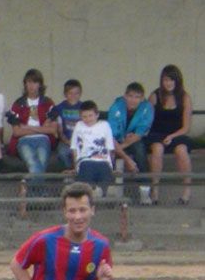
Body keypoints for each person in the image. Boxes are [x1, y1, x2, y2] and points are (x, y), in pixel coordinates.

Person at [145, 64, 193, 204]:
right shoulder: (155, 96)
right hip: (157, 134)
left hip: (177, 134)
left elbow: (186, 127)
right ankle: (155, 189)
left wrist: (172, 136)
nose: (169, 83)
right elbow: (146, 119)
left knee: (181, 150)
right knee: (157, 149)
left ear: (177, 81)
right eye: (166, 80)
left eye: (172, 80)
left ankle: (187, 190)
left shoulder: (185, 97)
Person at [70, 100, 137, 193]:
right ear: (80, 117)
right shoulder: (79, 125)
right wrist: (76, 166)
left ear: (97, 115)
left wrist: (111, 166)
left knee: (105, 190)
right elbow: (74, 148)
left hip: (103, 162)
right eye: (84, 116)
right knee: (86, 191)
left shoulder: (105, 125)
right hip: (85, 162)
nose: (88, 119)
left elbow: (110, 148)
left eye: (90, 116)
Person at [6, 69, 58, 177]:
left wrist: (27, 127)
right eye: (29, 82)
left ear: (40, 84)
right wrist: (41, 128)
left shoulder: (48, 103)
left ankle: (27, 185)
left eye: (35, 82)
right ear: (25, 84)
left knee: (42, 162)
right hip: (24, 140)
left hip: (43, 139)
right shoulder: (18, 104)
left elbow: (52, 130)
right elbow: (17, 132)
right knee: (32, 162)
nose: (31, 86)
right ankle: (34, 187)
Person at [108, 82, 154, 201]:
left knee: (140, 149)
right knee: (108, 151)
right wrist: (125, 155)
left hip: (133, 142)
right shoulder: (116, 107)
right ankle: (108, 190)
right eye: (130, 96)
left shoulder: (147, 108)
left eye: (137, 97)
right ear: (125, 96)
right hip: (116, 141)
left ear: (142, 98)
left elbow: (139, 134)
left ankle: (145, 190)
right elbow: (111, 136)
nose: (133, 100)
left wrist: (121, 148)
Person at [51, 80, 83, 170]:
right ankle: (70, 171)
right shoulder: (59, 108)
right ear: (65, 94)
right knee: (62, 153)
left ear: (80, 94)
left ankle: (79, 170)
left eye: (76, 93)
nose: (73, 96)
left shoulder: (84, 107)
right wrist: (67, 141)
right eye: (70, 93)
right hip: (65, 140)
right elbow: (59, 131)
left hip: (81, 140)